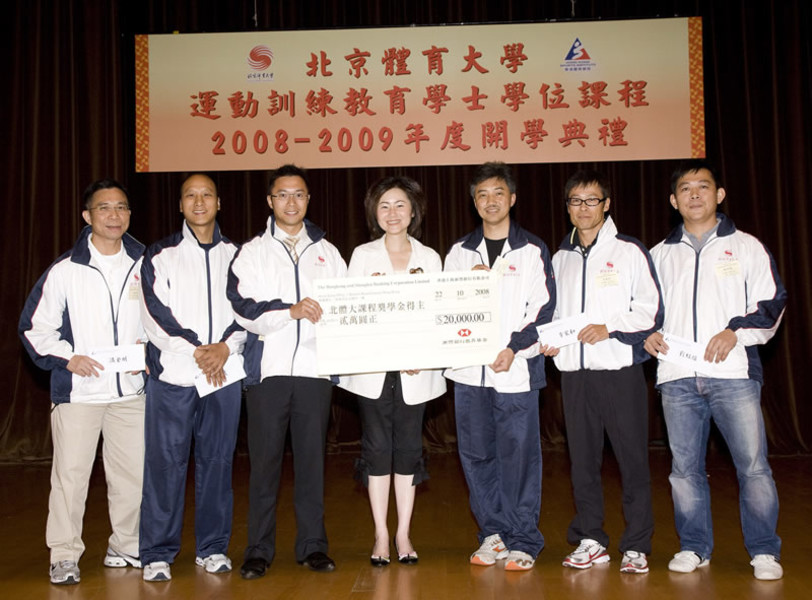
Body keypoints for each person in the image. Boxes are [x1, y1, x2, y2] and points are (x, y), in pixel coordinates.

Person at [644, 159, 786, 581]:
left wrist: (735, 332)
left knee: (754, 466)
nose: (694, 195)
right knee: (684, 470)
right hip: (677, 377)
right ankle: (693, 547)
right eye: (685, 189)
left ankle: (764, 551)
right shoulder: (658, 254)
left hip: (733, 375)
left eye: (702, 187)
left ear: (719, 194)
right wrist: (647, 334)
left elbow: (771, 303)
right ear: (673, 200)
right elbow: (644, 311)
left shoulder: (747, 247)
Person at [19, 179, 146, 585]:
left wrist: (149, 356)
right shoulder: (64, 270)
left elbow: (161, 323)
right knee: (70, 477)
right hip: (79, 394)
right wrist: (67, 358)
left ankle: (126, 545)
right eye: (104, 208)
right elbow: (34, 329)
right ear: (87, 216)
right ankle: (64, 554)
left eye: (122, 207)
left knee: (131, 476)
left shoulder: (145, 263)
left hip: (131, 393)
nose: (114, 215)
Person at [228, 164, 347, 579]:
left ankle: (313, 545)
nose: (291, 202)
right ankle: (258, 550)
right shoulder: (252, 252)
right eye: (283, 195)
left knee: (313, 464)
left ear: (308, 199)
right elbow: (243, 309)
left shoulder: (328, 253)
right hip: (269, 374)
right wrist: (290, 312)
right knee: (264, 466)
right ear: (269, 201)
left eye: (299, 194)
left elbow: (345, 310)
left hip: (315, 374)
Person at [542, 170, 662, 574]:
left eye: (591, 200)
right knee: (582, 461)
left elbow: (649, 310)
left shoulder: (629, 251)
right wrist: (550, 342)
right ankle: (591, 537)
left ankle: (637, 544)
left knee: (631, 460)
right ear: (568, 207)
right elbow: (552, 315)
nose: (583, 208)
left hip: (618, 372)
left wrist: (609, 328)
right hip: (574, 376)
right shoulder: (559, 258)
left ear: (606, 204)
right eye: (575, 201)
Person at [443, 162, 555, 571]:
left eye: (497, 193)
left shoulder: (531, 250)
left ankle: (524, 538)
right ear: (474, 203)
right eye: (482, 195)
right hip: (469, 372)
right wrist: (464, 290)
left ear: (512, 198)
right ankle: (493, 533)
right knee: (476, 455)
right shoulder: (458, 253)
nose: (490, 201)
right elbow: (445, 309)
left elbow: (543, 309)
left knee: (519, 455)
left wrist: (513, 346)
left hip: (515, 370)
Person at [138, 173, 245, 582]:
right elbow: (153, 315)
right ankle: (157, 552)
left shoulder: (239, 255)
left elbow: (248, 311)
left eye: (207, 195)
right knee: (165, 464)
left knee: (218, 462)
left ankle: (213, 547)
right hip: (174, 378)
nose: (199, 202)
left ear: (219, 203)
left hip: (224, 377)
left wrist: (225, 348)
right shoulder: (159, 254)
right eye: (190, 196)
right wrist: (199, 350)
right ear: (180, 205)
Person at [339, 176, 446, 567]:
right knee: (377, 450)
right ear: (375, 213)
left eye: (400, 205)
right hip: (373, 370)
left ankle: (403, 532)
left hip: (415, 372)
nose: (393, 213)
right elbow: (350, 315)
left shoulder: (430, 258)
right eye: (384, 206)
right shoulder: (362, 256)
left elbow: (439, 317)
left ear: (413, 211)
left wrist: (424, 351)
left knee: (408, 451)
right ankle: (381, 534)